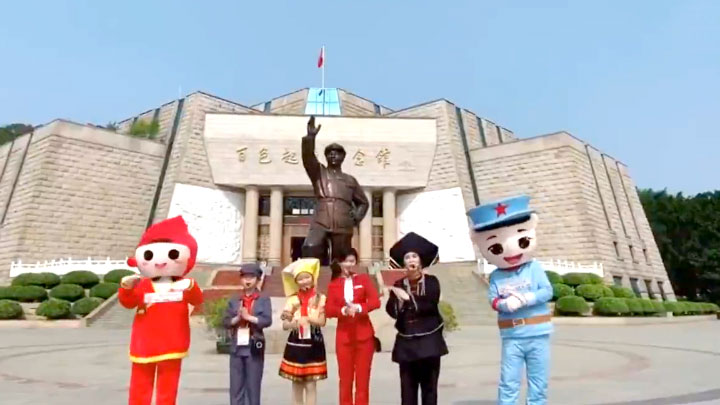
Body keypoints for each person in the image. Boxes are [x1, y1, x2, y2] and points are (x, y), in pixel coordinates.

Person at [467, 195, 553, 405]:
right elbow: (492, 299)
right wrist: (504, 304)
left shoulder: (534, 268)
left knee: (538, 381)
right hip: (512, 335)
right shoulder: (497, 276)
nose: (510, 252)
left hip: (537, 333)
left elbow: (547, 291)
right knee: (508, 381)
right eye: (496, 248)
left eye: (522, 241)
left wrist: (526, 298)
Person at [118, 216, 204, 405]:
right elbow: (129, 303)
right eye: (149, 256)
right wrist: (126, 289)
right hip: (144, 343)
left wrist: (191, 287)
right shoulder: (143, 285)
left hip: (173, 342)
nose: (159, 262)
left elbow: (198, 300)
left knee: (168, 388)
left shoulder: (184, 284)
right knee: (140, 386)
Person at [386, 232, 449, 405]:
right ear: (403, 263)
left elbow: (430, 305)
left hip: (429, 341)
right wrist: (397, 298)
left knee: (429, 390)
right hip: (406, 344)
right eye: (407, 257)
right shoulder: (398, 284)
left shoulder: (432, 281)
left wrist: (408, 298)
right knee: (407, 392)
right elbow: (392, 312)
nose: (411, 260)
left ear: (420, 261)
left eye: (414, 256)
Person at [300, 116, 369, 261]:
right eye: (330, 153)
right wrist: (310, 138)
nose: (333, 155)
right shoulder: (319, 173)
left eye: (337, 152)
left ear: (343, 157)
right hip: (321, 219)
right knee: (311, 247)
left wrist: (356, 217)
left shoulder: (350, 180)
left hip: (343, 221)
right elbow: (308, 157)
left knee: (340, 256)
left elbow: (363, 202)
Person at [325, 247, 381, 405]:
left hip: (364, 336)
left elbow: (375, 301)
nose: (348, 264)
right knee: (345, 380)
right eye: (345, 261)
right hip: (344, 337)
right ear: (339, 263)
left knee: (363, 380)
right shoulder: (334, 284)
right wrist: (343, 310)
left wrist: (360, 308)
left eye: (352, 261)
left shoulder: (363, 280)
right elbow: (328, 310)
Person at [278, 258, 328, 405]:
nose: (304, 281)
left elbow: (322, 322)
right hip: (296, 341)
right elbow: (285, 325)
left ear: (313, 278)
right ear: (296, 282)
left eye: (307, 277)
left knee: (311, 384)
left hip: (314, 341)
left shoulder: (320, 298)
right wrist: (293, 323)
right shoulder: (292, 300)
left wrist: (308, 319)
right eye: (300, 279)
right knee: (296, 383)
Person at [222, 263, 273, 405]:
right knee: (236, 385)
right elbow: (226, 321)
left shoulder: (263, 299)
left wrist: (249, 317)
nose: (248, 280)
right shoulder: (235, 299)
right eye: (245, 277)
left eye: (251, 277)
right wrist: (237, 318)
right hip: (237, 345)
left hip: (254, 344)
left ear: (258, 280)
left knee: (253, 385)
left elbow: (267, 320)